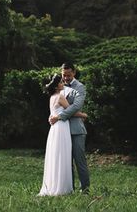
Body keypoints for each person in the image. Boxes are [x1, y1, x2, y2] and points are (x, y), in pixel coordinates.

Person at [38, 74, 87, 196]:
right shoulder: (60, 97)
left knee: (56, 157)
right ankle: (63, 188)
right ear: (56, 87)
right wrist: (83, 115)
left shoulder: (51, 97)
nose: (62, 84)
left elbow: (54, 112)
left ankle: (54, 185)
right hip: (62, 127)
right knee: (63, 157)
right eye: (60, 82)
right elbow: (72, 111)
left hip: (54, 129)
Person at [49, 63, 90, 194]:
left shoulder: (80, 87)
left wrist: (59, 117)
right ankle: (69, 189)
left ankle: (85, 190)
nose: (65, 78)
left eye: (68, 75)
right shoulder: (59, 88)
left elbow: (76, 106)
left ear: (74, 72)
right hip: (62, 131)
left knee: (80, 161)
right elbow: (56, 104)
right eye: (63, 75)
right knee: (66, 162)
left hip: (76, 130)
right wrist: (52, 116)